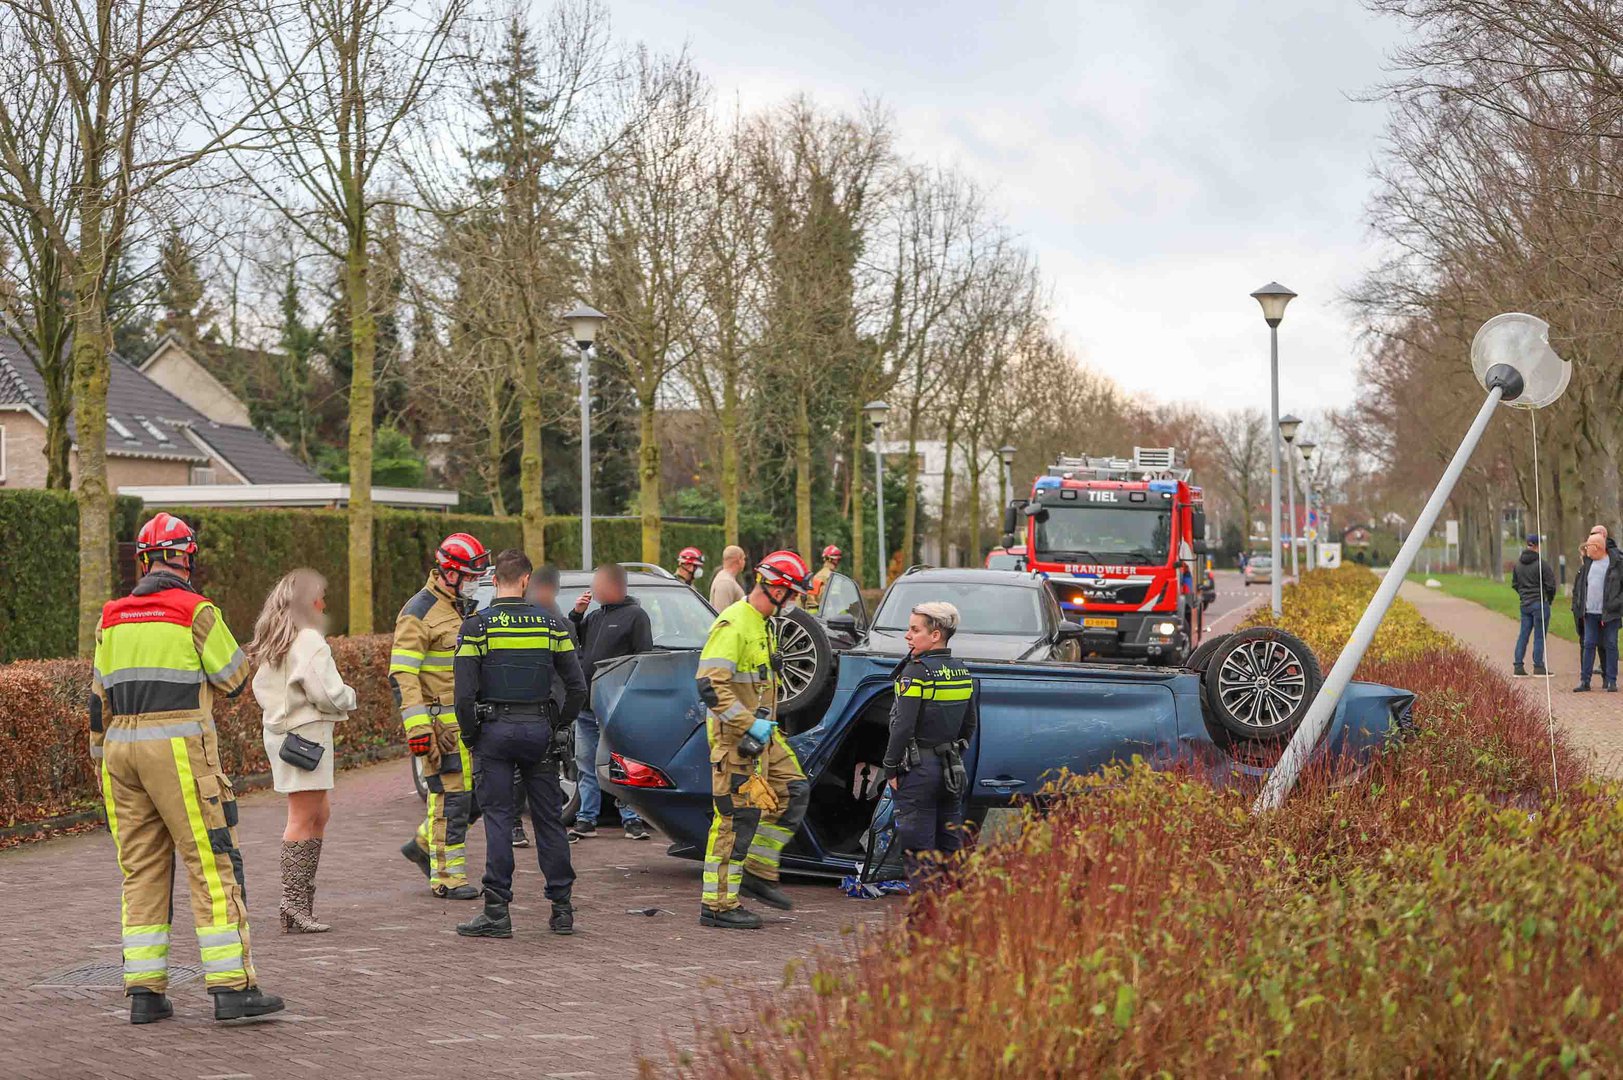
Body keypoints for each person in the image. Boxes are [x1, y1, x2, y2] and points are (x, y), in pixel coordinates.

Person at [90, 513, 284, 1024]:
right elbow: (234, 679)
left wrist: (100, 766)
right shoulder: (194, 610)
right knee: (213, 863)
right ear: (186, 559)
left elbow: (97, 701)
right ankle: (232, 987)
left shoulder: (110, 616)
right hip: (176, 748)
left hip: (117, 753)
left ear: (143, 560)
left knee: (141, 871)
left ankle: (144, 994)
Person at [453, 550, 587, 938]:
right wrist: (560, 726)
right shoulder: (551, 624)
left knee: (497, 817)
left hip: (493, 731)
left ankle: (497, 912)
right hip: (539, 731)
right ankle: (562, 910)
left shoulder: (476, 627)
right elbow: (577, 687)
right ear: (527, 580)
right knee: (548, 820)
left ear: (495, 580)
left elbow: (463, 695)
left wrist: (470, 735)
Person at [694, 550, 814, 929]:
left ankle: (757, 873)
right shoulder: (735, 623)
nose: (795, 601)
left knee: (793, 789)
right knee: (735, 821)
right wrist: (748, 725)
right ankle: (718, 906)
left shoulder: (763, 623)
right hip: (736, 743)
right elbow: (710, 685)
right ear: (775, 589)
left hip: (762, 738)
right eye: (792, 593)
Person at [250, 569, 356, 933]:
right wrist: (349, 697)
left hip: (286, 736)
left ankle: (298, 903)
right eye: (320, 597)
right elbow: (326, 691)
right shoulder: (309, 638)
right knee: (302, 816)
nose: (324, 604)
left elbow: (262, 687)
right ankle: (294, 904)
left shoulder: (280, 637)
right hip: (306, 739)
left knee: (318, 812)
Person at [393, 532, 491, 898]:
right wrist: (418, 727)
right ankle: (447, 878)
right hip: (440, 728)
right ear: (449, 573)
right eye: (469, 576)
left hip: (469, 724)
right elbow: (402, 674)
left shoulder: (461, 607)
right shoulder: (418, 613)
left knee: (478, 798)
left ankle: (422, 845)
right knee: (450, 801)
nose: (474, 582)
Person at [881, 602, 979, 891]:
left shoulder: (916, 672)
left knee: (920, 852)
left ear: (935, 635)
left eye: (914, 630)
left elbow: (903, 726)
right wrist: (952, 755)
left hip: (918, 771)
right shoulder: (962, 671)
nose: (907, 636)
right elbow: (970, 726)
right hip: (951, 769)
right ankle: (954, 919)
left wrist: (890, 767)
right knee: (950, 848)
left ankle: (924, 923)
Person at [569, 563, 653, 840]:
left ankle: (630, 819)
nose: (593, 590)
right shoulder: (594, 617)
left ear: (615, 586)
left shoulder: (636, 616)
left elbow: (643, 659)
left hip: (616, 706)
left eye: (598, 584)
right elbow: (575, 640)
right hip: (586, 704)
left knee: (622, 762)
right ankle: (586, 819)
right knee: (586, 762)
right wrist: (577, 614)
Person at [1571, 530, 1622, 692]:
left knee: (1611, 645)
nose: (1586, 549)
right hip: (1589, 614)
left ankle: (1611, 680)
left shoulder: (1616, 564)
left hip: (1610, 614)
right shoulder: (1587, 564)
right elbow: (1580, 587)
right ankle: (1585, 681)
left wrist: (1616, 603)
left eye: (1588, 546)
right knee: (1588, 644)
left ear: (1598, 547)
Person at [1511, 534, 1557, 678]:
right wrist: (1549, 599)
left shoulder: (1518, 564)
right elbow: (1551, 585)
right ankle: (1538, 666)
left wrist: (1523, 595)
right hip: (1539, 603)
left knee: (1523, 635)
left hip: (1525, 604)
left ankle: (1518, 666)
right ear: (1538, 546)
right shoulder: (1542, 564)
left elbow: (1515, 584)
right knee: (1539, 636)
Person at [804, 545, 842, 613]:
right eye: (837, 559)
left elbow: (811, 600)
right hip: (828, 615)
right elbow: (836, 600)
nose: (838, 562)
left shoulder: (820, 575)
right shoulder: (829, 577)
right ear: (830, 559)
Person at [710, 545, 747, 610]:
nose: (744, 562)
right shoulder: (725, 582)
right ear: (739, 560)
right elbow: (721, 613)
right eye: (744, 559)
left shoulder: (727, 579)